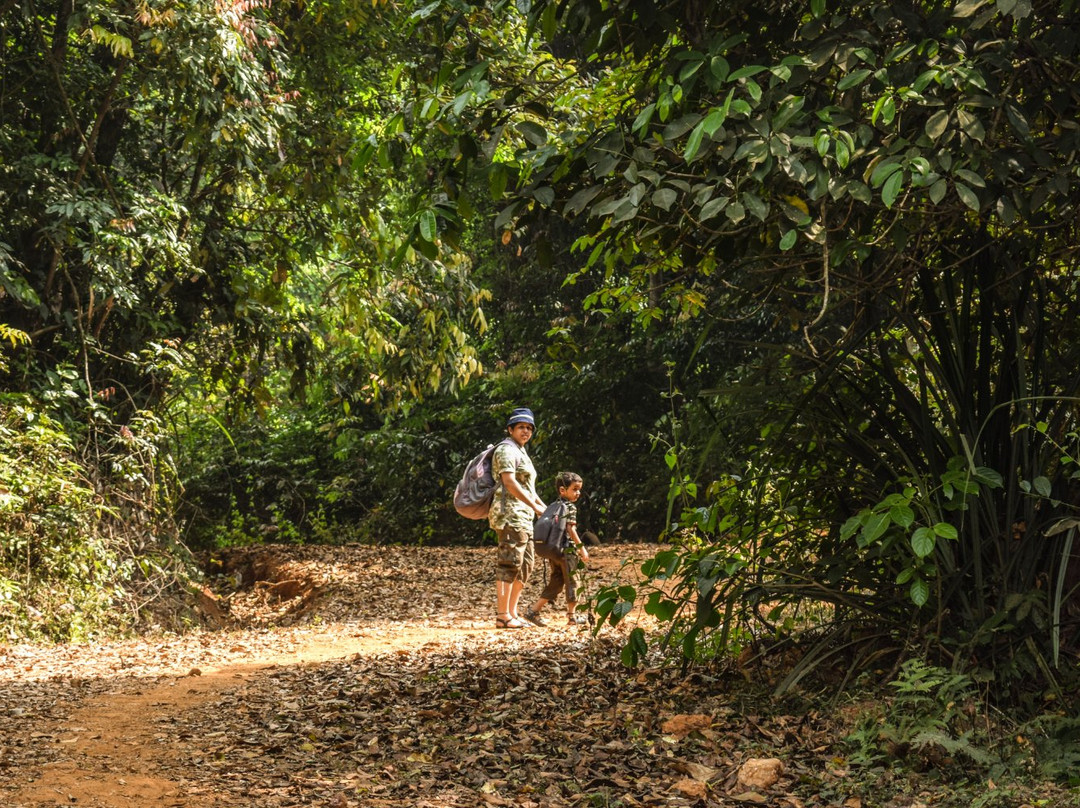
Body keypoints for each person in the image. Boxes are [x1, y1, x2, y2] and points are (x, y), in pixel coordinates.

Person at [489, 407, 546, 629]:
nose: (526, 431)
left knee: (526, 564)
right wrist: (534, 505)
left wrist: (542, 507)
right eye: (521, 427)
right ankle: (502, 615)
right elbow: (510, 482)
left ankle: (512, 612)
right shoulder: (505, 450)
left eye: (529, 428)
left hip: (524, 517)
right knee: (509, 563)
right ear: (510, 429)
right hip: (509, 516)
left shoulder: (521, 451)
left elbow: (527, 487)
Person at [525, 471, 590, 627]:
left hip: (554, 550)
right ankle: (572, 616)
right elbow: (571, 529)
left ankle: (533, 611)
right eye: (574, 489)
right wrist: (582, 549)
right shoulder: (570, 507)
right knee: (574, 581)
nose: (578, 493)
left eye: (579, 489)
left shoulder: (554, 506)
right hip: (568, 551)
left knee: (557, 581)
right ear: (562, 490)